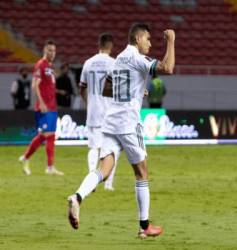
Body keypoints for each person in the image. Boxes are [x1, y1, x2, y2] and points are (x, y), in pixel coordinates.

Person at [67, 23, 175, 238]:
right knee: (141, 172)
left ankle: (77, 196)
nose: (150, 44)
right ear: (137, 39)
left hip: (110, 122)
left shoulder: (118, 60)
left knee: (104, 169)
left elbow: (106, 88)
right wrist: (171, 41)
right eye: (148, 39)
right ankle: (144, 227)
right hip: (127, 122)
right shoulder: (137, 58)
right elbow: (168, 68)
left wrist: (135, 90)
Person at [79, 33, 118, 191]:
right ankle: (108, 184)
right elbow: (120, 90)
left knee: (94, 147)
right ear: (111, 46)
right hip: (110, 114)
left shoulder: (88, 63)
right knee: (112, 149)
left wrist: (89, 103)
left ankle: (91, 177)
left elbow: (82, 88)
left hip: (93, 112)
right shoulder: (114, 63)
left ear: (99, 44)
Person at [19, 40, 64, 176]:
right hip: (44, 107)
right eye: (49, 50)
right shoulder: (41, 64)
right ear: (45, 50)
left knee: (48, 136)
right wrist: (42, 102)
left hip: (52, 106)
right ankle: (29, 159)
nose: (52, 53)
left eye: (54, 50)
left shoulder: (50, 67)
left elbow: (48, 86)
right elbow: (35, 85)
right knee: (47, 135)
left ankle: (47, 166)